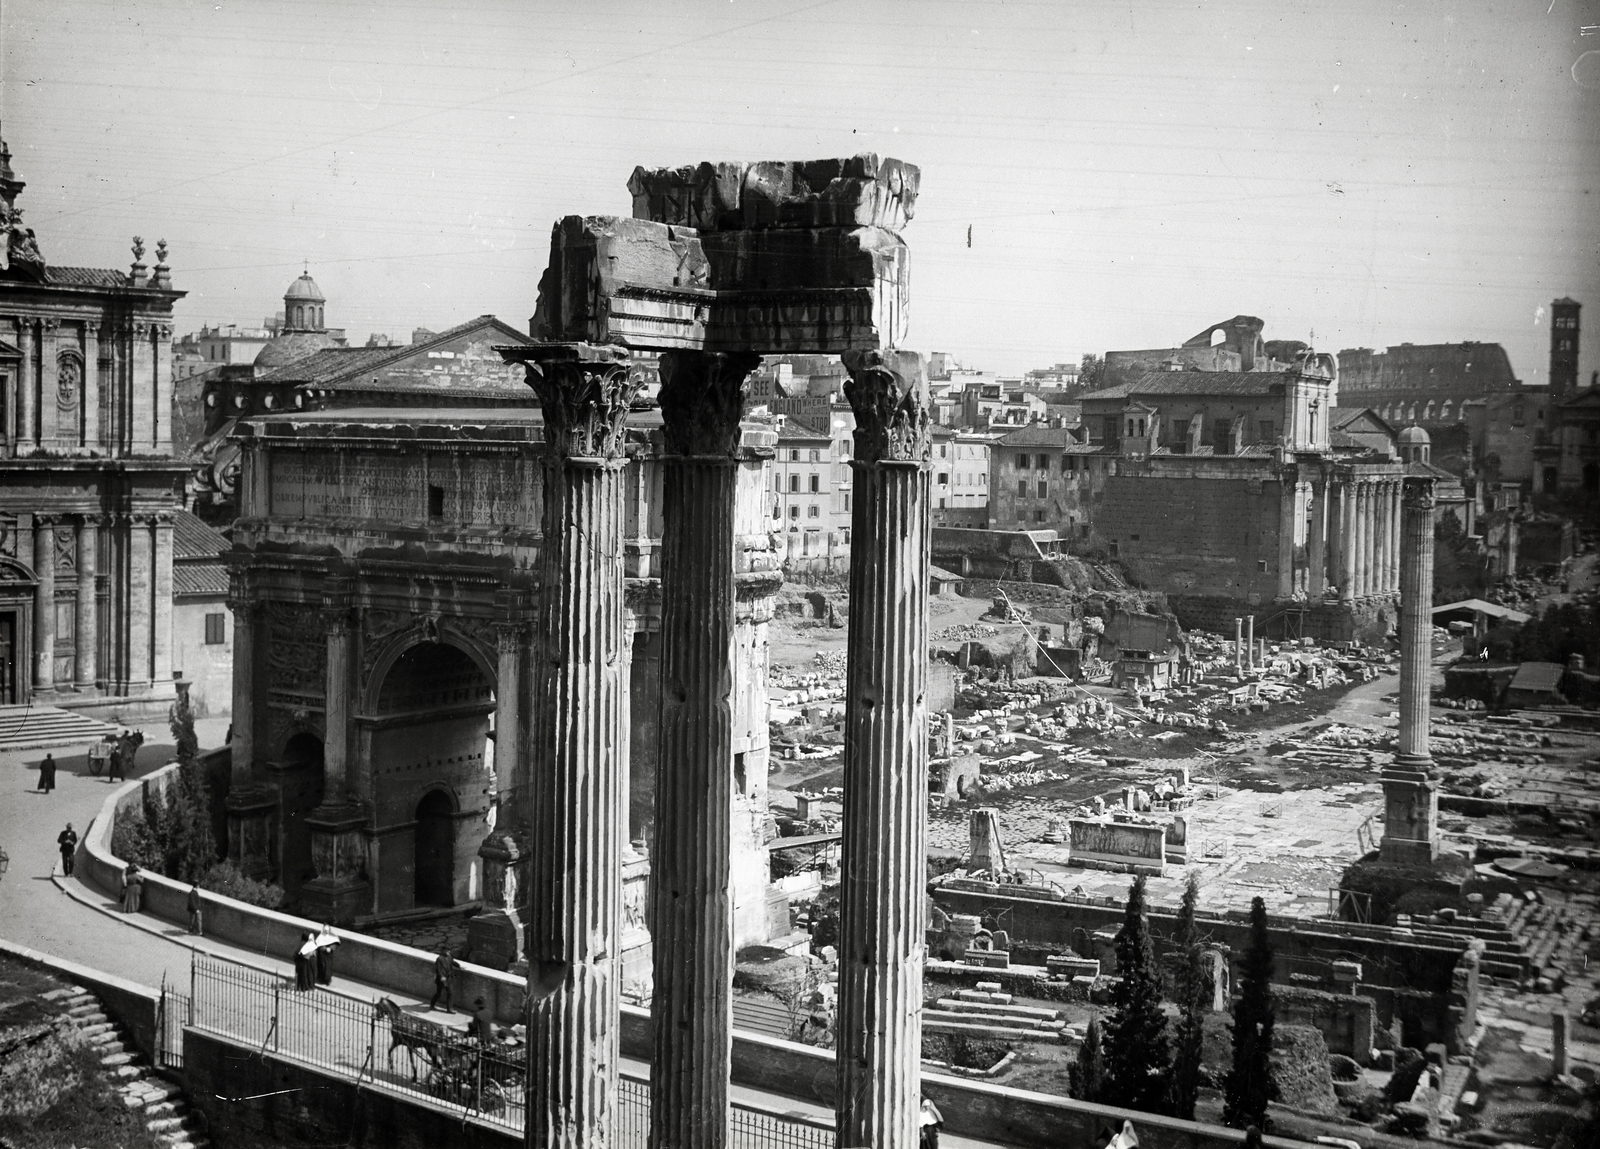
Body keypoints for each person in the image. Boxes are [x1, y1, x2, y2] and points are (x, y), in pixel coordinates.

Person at [430, 947, 456, 1012]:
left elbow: (452, 962)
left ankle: (449, 1009)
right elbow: (438, 969)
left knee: (450, 993)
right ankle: (432, 1004)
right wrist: (441, 976)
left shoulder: (449, 956)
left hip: (448, 978)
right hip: (442, 980)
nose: (448, 952)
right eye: (447, 951)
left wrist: (459, 965)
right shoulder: (439, 959)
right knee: (438, 993)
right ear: (443, 951)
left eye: (449, 950)